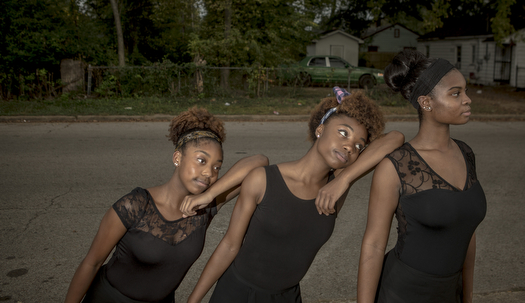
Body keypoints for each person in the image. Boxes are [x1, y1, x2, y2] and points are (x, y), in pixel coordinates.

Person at [184, 87, 404, 303]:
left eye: (358, 145)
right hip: (238, 293)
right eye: (343, 133)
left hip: (288, 296)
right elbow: (229, 246)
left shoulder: (336, 188)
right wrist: (193, 300)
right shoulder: (264, 180)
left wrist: (345, 180)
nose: (349, 146)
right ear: (320, 129)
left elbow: (396, 137)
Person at [64, 107, 268, 303]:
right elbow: (92, 263)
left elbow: (260, 161)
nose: (209, 173)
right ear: (177, 158)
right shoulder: (134, 205)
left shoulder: (205, 207)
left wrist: (210, 195)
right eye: (201, 160)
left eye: (217, 167)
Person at [357, 49, 487, 303]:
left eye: (466, 91)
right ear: (426, 102)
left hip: (450, 292)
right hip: (402, 293)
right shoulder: (395, 166)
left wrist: (467, 295)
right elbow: (373, 246)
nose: (467, 99)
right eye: (456, 93)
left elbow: (466, 231)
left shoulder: (466, 154)